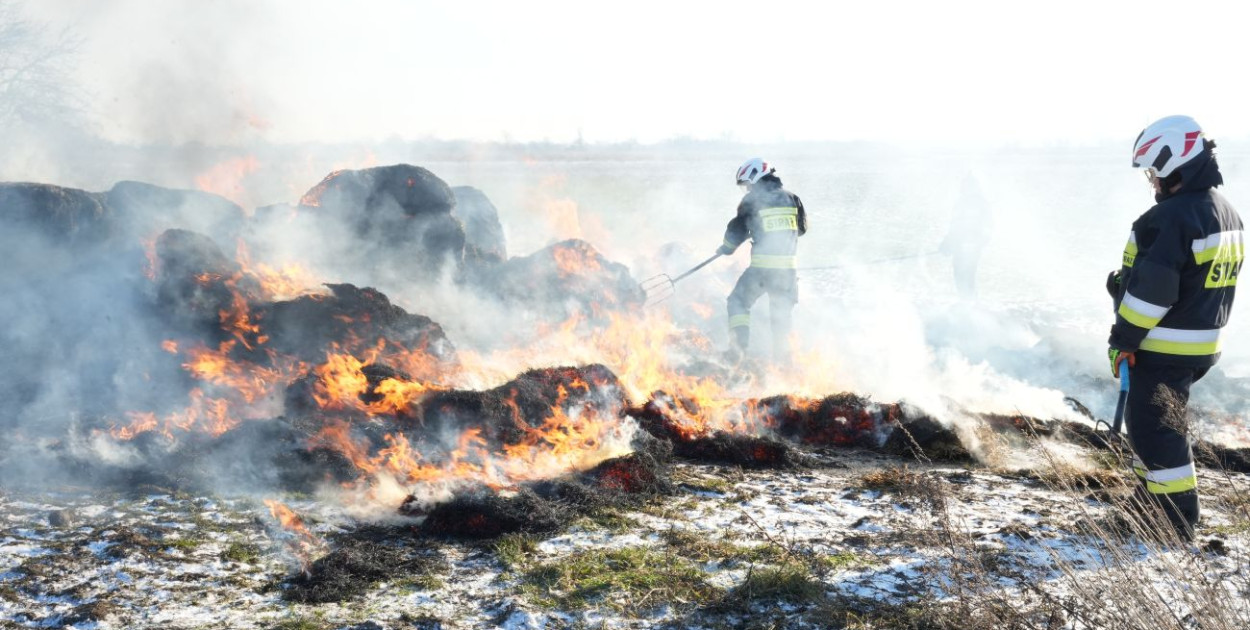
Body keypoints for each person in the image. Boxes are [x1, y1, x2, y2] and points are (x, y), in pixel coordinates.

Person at [1107, 115, 1243, 539]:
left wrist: (1123, 340)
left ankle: (1176, 518)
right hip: (1200, 345)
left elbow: (1154, 294)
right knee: (1153, 425)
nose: (1152, 182)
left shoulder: (1170, 218)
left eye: (1154, 171)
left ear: (1174, 163)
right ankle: (1150, 503)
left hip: (1163, 346)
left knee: (1156, 431)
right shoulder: (1225, 212)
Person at [717, 158, 807, 364]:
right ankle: (784, 365)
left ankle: (737, 353)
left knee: (738, 302)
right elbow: (800, 230)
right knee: (781, 318)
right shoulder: (793, 198)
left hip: (761, 271)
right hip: (787, 274)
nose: (747, 189)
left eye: (748, 184)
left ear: (756, 178)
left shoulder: (751, 201)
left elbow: (736, 230)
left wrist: (726, 248)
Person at [940, 173, 993, 299]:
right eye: (963, 185)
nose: (964, 188)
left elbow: (988, 228)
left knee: (967, 275)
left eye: (967, 185)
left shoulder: (980, 204)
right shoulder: (961, 202)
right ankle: (966, 303)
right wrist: (947, 242)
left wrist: (976, 243)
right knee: (959, 275)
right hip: (959, 246)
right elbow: (955, 225)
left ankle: (970, 304)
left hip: (971, 248)